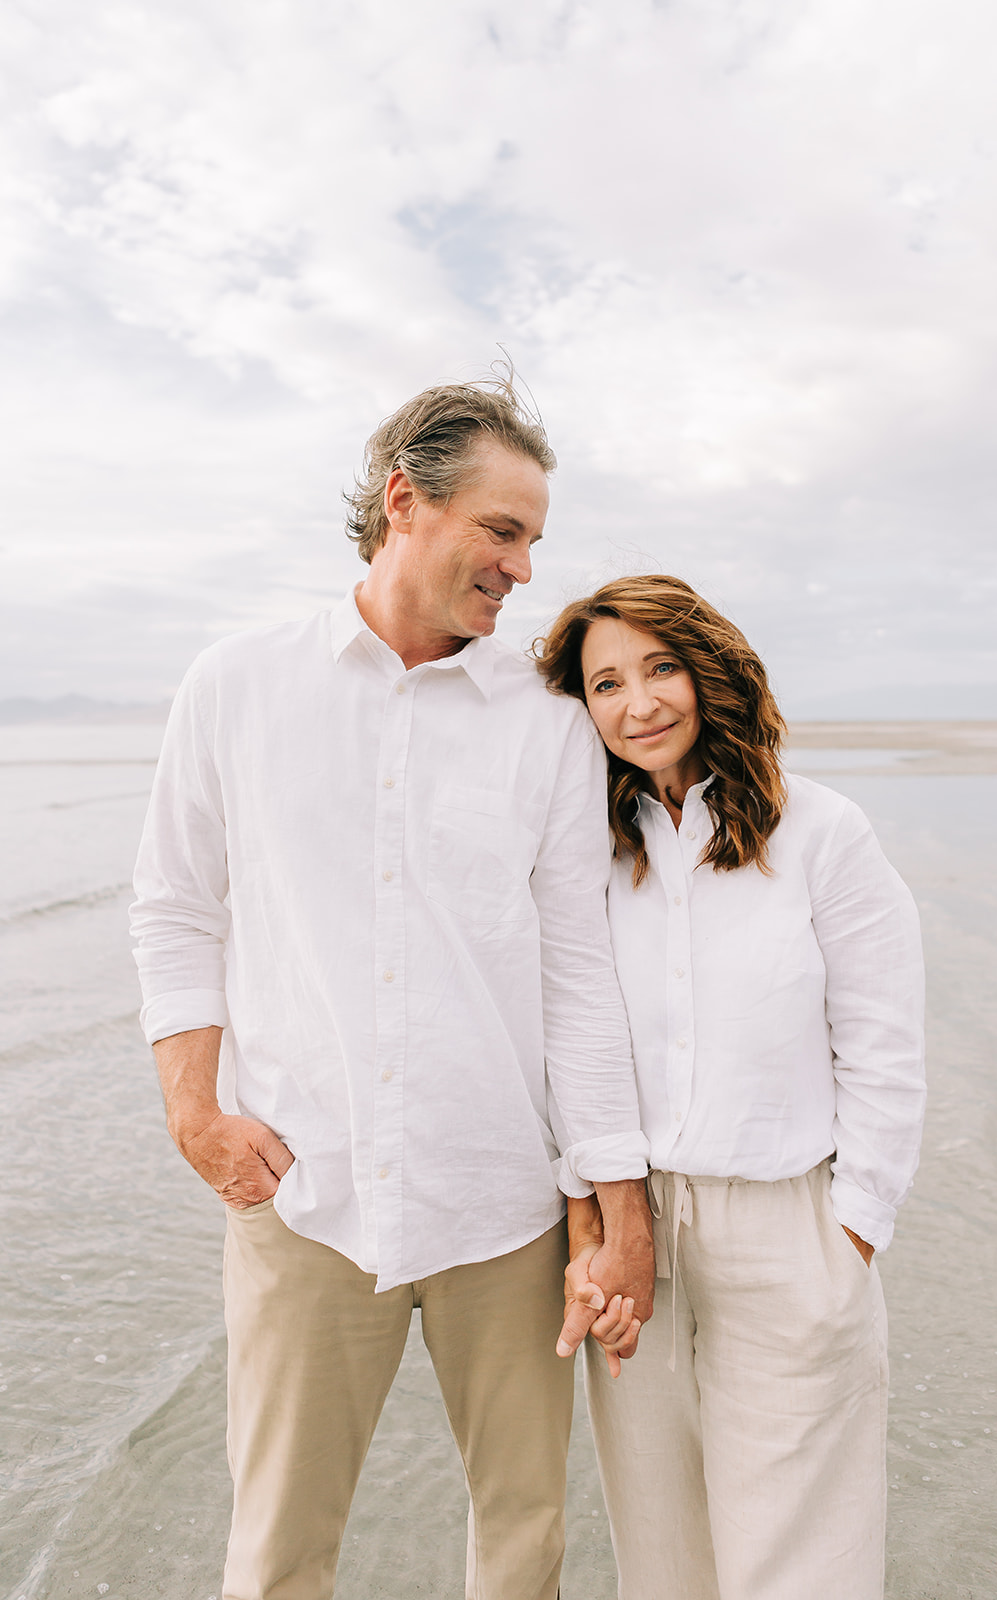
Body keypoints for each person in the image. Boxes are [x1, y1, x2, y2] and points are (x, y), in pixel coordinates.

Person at [130, 377, 654, 1600]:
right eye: (503, 530)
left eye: (532, 538)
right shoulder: (235, 684)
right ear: (404, 502)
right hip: (304, 1195)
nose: (524, 569)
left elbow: (577, 977)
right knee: (275, 1555)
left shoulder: (550, 725)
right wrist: (193, 1112)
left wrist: (611, 1204)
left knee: (524, 1546)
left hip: (505, 1208)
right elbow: (174, 907)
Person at [539, 574, 926, 1600]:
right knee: (661, 1554)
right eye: (605, 682)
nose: (638, 702)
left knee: (801, 1563)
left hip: (786, 1231)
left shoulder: (823, 833)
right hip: (634, 1231)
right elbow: (564, 1041)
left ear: (709, 669)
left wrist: (850, 1232)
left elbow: (882, 1047)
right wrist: (591, 1211)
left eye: (659, 666)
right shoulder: (586, 852)